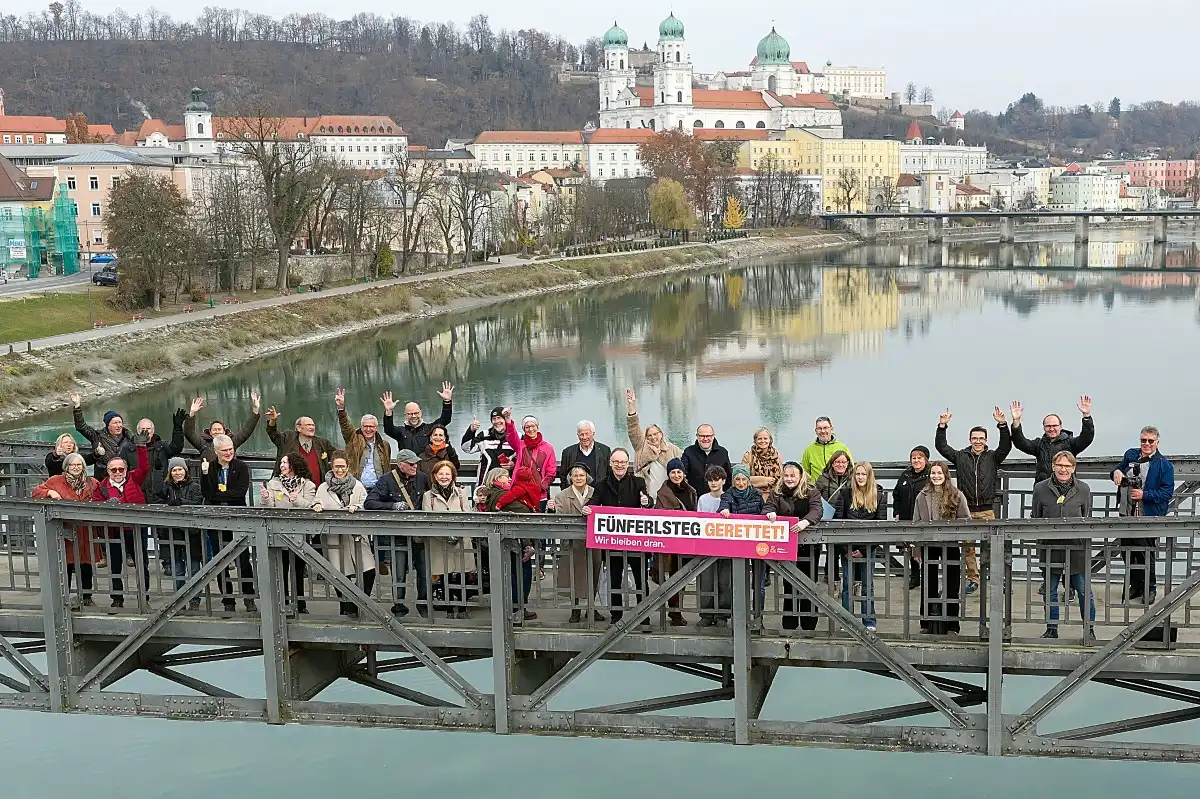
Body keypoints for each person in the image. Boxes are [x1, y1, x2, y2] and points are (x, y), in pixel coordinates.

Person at [934, 406, 1012, 596]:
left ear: (986, 440)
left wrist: (1002, 425)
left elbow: (1006, 446)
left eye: (981, 438)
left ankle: (996, 579)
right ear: (970, 440)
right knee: (967, 546)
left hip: (986, 509)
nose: (978, 441)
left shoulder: (993, 456)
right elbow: (942, 447)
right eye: (974, 438)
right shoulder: (961, 456)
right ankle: (973, 578)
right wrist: (942, 426)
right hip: (965, 509)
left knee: (993, 546)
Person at [1032, 452, 1096, 641]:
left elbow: (1087, 516)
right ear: (1053, 466)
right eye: (1060, 465)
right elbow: (1036, 516)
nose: (1063, 469)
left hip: (1076, 550)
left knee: (1084, 591)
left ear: (1073, 468)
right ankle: (1052, 628)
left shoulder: (1083, 489)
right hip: (1050, 549)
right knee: (1050, 591)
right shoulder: (1040, 488)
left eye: (1068, 466)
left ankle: (1089, 629)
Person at [583, 448, 651, 625]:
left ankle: (644, 615)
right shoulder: (601, 484)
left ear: (627, 463)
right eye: (616, 462)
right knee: (614, 579)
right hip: (613, 542)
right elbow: (594, 502)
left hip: (636, 541)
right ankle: (616, 616)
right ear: (611, 464)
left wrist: (646, 502)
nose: (620, 465)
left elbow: (648, 501)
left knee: (641, 580)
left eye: (623, 462)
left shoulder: (638, 482)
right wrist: (587, 508)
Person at [364, 450, 431, 617]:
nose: (415, 466)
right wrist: (392, 507)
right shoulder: (386, 480)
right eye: (411, 464)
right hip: (398, 535)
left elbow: (431, 497)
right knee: (399, 574)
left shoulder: (422, 478)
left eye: (415, 463)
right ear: (401, 465)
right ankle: (399, 607)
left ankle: (423, 605)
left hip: (419, 533)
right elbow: (370, 502)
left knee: (424, 572)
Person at [1112, 425, 1175, 604]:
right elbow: (1117, 471)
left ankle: (1150, 589)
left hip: (1148, 516)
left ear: (1157, 442)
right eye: (1143, 440)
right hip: (1127, 513)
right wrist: (1116, 472)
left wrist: (1144, 495)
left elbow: (1167, 493)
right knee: (1127, 552)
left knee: (1146, 553)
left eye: (1150, 441)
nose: (1146, 444)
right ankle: (1136, 586)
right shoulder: (1130, 455)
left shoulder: (1164, 465)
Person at [33, 452, 100, 606]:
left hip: (85, 530)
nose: (76, 467)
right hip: (65, 531)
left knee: (86, 563)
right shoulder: (56, 481)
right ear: (66, 467)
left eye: (79, 465)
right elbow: (36, 493)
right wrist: (49, 492)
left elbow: (103, 497)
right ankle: (64, 597)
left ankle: (86, 596)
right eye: (72, 465)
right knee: (66, 564)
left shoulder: (92, 482)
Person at [90, 437, 150, 608]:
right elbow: (95, 505)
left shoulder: (134, 479)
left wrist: (141, 446)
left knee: (142, 563)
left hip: (135, 529)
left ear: (126, 469)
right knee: (115, 565)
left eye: (120, 469)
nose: (118, 472)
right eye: (114, 469)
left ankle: (144, 597)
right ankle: (117, 598)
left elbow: (145, 467)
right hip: (114, 530)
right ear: (108, 471)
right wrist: (105, 506)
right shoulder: (102, 487)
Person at [313, 452, 374, 617]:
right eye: (336, 467)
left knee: (369, 570)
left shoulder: (357, 485)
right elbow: (316, 501)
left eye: (342, 466)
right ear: (332, 467)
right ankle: (346, 607)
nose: (339, 470)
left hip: (356, 535)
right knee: (340, 573)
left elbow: (365, 504)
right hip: (334, 536)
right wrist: (317, 505)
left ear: (348, 467)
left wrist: (358, 508)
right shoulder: (323, 487)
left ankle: (360, 602)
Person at [913, 461, 971, 634]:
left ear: (946, 475)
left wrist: (950, 525)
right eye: (933, 473)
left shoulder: (956, 494)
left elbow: (966, 519)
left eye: (939, 473)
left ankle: (953, 624)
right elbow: (915, 523)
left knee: (952, 584)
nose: (936, 476)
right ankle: (926, 622)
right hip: (929, 543)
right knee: (928, 583)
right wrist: (916, 549)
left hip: (950, 543)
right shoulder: (922, 496)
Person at [200, 434, 255, 612]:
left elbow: (240, 492)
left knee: (244, 561)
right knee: (221, 559)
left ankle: (249, 597)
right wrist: (205, 473)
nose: (229, 453)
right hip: (217, 520)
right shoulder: (211, 467)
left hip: (238, 518)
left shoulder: (241, 467)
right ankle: (228, 600)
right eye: (224, 450)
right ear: (216, 451)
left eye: (231, 449)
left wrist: (218, 495)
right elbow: (207, 493)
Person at [767, 462, 825, 631]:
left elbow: (817, 510)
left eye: (793, 476)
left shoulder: (811, 491)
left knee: (809, 584)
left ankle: (809, 624)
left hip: (809, 547)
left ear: (800, 476)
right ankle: (790, 623)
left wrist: (805, 522)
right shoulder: (776, 493)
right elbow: (768, 506)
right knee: (788, 584)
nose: (789, 479)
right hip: (786, 546)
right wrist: (769, 513)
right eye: (786, 475)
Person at [260, 455, 319, 613]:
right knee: (281, 569)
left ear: (294, 464)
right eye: (281, 463)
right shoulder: (273, 483)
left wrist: (297, 500)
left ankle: (300, 605)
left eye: (285, 462)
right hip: (279, 533)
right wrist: (265, 498)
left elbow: (311, 506)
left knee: (297, 571)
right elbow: (270, 507)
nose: (282, 465)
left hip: (299, 534)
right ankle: (284, 604)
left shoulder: (308, 485)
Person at [833, 462, 888, 631]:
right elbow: (838, 522)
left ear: (869, 476)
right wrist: (846, 549)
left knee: (867, 585)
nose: (860, 477)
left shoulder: (880, 495)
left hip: (868, 548)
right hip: (847, 547)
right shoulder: (845, 494)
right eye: (857, 474)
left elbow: (881, 526)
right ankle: (847, 621)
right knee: (848, 585)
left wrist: (863, 550)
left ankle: (869, 621)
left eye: (864, 474)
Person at [420, 461, 478, 619]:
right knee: (444, 575)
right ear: (435, 476)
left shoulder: (461, 493)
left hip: (460, 541)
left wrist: (457, 533)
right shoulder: (428, 496)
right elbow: (428, 520)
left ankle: (462, 606)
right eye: (441, 474)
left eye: (447, 474)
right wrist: (444, 535)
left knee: (461, 576)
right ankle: (449, 608)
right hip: (440, 542)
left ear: (453, 476)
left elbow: (467, 515)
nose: (444, 477)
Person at [548, 464, 602, 623]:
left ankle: (591, 608)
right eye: (575, 475)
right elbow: (557, 518)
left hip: (593, 542)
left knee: (594, 574)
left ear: (587, 477)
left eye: (582, 475)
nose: (579, 478)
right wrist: (550, 509)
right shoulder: (562, 496)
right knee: (573, 576)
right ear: (570, 478)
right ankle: (575, 609)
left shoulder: (595, 493)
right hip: (572, 543)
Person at [720, 464, 768, 630]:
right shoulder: (728, 495)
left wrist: (769, 514)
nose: (740, 483)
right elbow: (723, 505)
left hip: (757, 544)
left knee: (759, 585)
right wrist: (724, 510)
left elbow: (765, 511)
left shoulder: (757, 495)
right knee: (738, 583)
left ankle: (758, 617)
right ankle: (739, 617)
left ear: (749, 480)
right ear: (733, 481)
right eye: (737, 479)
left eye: (743, 479)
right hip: (738, 545)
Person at [154, 457, 205, 608]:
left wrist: (181, 503)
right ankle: (180, 600)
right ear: (170, 472)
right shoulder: (167, 487)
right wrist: (157, 471)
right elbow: (157, 491)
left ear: (185, 471)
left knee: (194, 568)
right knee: (178, 570)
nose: (177, 473)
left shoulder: (195, 486)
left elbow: (198, 502)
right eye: (174, 470)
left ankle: (194, 600)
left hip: (192, 533)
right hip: (174, 533)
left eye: (180, 469)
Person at [653, 458, 697, 627]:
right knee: (673, 578)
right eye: (673, 472)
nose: (676, 475)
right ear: (669, 474)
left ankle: (676, 609)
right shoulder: (662, 493)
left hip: (687, 540)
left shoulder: (691, 491)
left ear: (683, 473)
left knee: (683, 578)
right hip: (671, 543)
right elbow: (658, 514)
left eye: (679, 472)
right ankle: (674, 612)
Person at [1009, 396, 1094, 483]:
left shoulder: (1071, 443)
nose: (1051, 429)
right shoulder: (1039, 444)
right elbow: (1020, 443)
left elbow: (1086, 438)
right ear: (1044, 427)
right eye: (1048, 426)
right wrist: (1016, 421)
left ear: (1060, 426)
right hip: (1043, 489)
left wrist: (1086, 416)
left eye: (1054, 426)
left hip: (1066, 489)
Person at [625, 388, 683, 499]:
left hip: (668, 496)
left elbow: (683, 469)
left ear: (661, 434)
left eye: (656, 434)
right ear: (646, 437)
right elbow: (633, 429)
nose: (653, 437)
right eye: (650, 435)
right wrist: (631, 405)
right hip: (646, 495)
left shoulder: (672, 449)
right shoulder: (640, 447)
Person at [696, 466, 734, 627]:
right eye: (710, 480)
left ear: (723, 481)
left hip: (726, 545)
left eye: (716, 479)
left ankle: (723, 615)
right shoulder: (703, 499)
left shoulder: (730, 498)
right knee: (706, 581)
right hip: (707, 545)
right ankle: (706, 614)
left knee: (725, 581)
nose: (713, 483)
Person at [335, 388, 391, 493]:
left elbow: (387, 468)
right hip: (357, 488)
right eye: (365, 426)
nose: (368, 429)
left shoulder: (384, 445)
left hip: (379, 488)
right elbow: (345, 425)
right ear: (361, 427)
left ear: (376, 428)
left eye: (371, 426)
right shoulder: (353, 440)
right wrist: (341, 408)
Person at [69, 391, 135, 480]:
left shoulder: (130, 437)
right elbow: (81, 427)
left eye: (120, 422)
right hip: (103, 478)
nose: (119, 425)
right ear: (108, 425)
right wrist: (77, 406)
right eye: (115, 423)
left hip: (124, 478)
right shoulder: (97, 436)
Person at [893, 446, 932, 590]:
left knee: (925, 547)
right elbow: (896, 494)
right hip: (906, 516)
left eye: (919, 458)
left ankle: (928, 577)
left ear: (926, 459)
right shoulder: (905, 475)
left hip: (924, 518)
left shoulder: (930, 475)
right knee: (910, 547)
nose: (916, 461)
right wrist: (896, 512)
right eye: (914, 458)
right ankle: (915, 576)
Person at [133, 410, 187, 509]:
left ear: (153, 431)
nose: (146, 431)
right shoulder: (129, 448)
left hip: (160, 494)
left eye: (148, 428)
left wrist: (178, 429)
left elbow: (176, 448)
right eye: (143, 429)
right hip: (138, 494)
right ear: (137, 431)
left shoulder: (161, 446)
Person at [183, 393, 261, 461]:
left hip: (230, 476)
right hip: (210, 477)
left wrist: (255, 410)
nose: (217, 431)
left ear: (224, 431)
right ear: (210, 432)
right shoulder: (203, 444)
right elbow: (189, 433)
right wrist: (192, 413)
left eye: (219, 429)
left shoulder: (231, 442)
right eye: (214, 430)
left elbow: (246, 431)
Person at [266, 405, 337, 480]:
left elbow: (338, 455)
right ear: (298, 428)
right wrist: (273, 421)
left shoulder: (323, 443)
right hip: (292, 488)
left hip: (317, 489)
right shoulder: (287, 439)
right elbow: (273, 434)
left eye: (313, 425)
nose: (312, 427)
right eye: (308, 425)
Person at [381, 382, 454, 455]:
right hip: (408, 465)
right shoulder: (401, 432)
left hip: (426, 465)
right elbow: (388, 429)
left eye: (416, 413)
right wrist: (388, 411)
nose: (413, 416)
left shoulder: (430, 429)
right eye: (410, 414)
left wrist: (447, 402)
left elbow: (445, 419)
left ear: (420, 413)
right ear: (405, 415)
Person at [504, 410, 557, 500]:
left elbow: (551, 470)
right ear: (524, 430)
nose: (530, 429)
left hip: (540, 493)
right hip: (520, 491)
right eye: (527, 427)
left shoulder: (548, 447)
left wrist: (543, 486)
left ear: (537, 427)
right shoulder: (520, 445)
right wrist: (508, 421)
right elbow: (511, 436)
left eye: (533, 426)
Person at [461, 407, 515, 487]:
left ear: (505, 419)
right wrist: (471, 430)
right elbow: (467, 448)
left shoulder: (516, 437)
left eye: (499, 418)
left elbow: (524, 458)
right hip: (485, 486)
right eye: (494, 419)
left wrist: (513, 464)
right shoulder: (484, 435)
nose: (496, 421)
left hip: (508, 486)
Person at [681, 424, 732, 498]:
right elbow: (683, 473)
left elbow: (728, 477)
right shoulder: (688, 452)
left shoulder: (723, 452)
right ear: (697, 436)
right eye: (702, 436)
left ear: (713, 436)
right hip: (694, 497)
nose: (705, 439)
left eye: (708, 436)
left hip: (718, 498)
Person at [557, 421, 612, 489]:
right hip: (575, 495)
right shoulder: (568, 452)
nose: (584, 437)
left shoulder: (605, 451)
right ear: (578, 435)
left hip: (599, 495)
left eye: (587, 434)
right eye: (581, 434)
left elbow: (609, 474)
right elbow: (563, 476)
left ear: (593, 434)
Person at [801, 416, 853, 484]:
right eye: (819, 428)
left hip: (838, 489)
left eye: (825, 428)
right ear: (816, 431)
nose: (823, 431)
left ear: (831, 429)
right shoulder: (809, 450)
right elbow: (805, 473)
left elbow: (851, 468)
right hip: (817, 490)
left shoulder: (842, 447)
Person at [741, 427, 783, 494]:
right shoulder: (748, 456)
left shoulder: (776, 455)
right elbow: (743, 478)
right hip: (754, 494)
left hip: (774, 494)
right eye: (760, 439)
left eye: (765, 438)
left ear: (770, 440)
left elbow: (781, 476)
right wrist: (764, 480)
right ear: (755, 441)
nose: (763, 441)